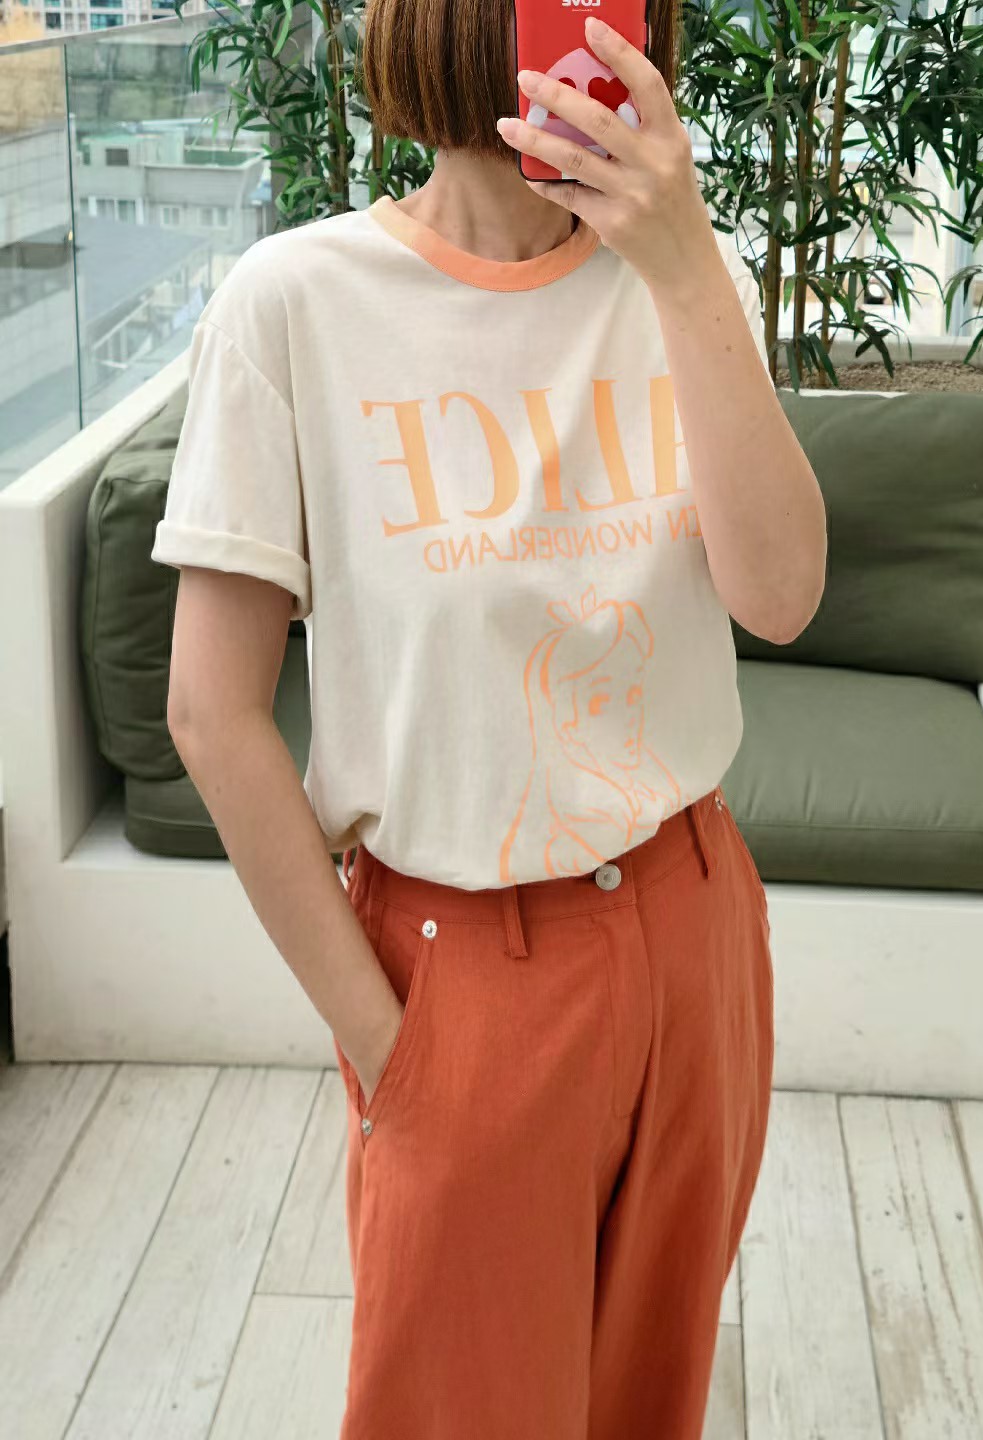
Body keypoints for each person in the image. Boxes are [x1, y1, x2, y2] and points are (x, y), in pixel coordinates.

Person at [151, 2, 827, 1435]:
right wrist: (385, 1040)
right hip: (459, 970)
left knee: (651, 1400)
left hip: (694, 926)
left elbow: (780, 598)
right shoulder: (295, 305)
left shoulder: (679, 277)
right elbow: (212, 711)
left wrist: (688, 267)